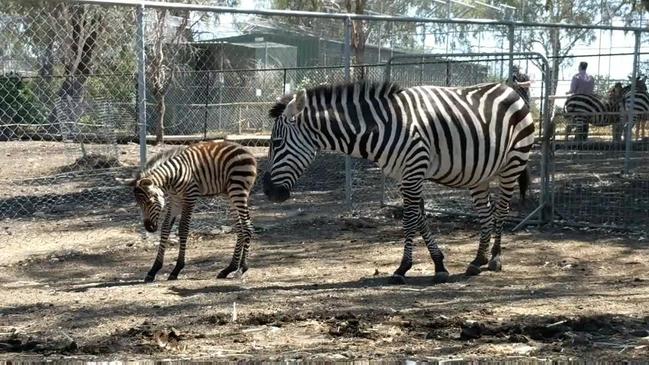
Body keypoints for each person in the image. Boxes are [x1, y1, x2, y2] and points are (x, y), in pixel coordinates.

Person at [567, 62, 595, 141]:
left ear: (579, 67)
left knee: (576, 120)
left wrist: (568, 92)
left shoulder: (576, 77)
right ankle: (584, 139)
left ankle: (575, 138)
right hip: (588, 103)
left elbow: (572, 90)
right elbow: (591, 90)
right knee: (585, 120)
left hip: (578, 103)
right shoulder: (591, 77)